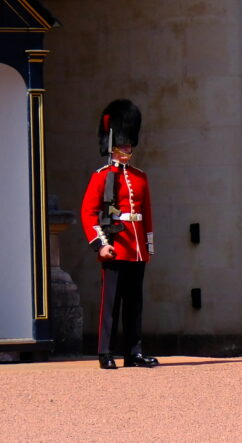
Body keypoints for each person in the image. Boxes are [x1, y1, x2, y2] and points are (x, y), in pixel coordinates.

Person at [80, 99, 159, 369]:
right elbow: (88, 213)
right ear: (113, 147)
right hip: (115, 244)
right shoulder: (102, 176)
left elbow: (146, 214)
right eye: (123, 145)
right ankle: (105, 351)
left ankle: (134, 352)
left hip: (135, 248)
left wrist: (147, 247)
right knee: (111, 303)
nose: (128, 149)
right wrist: (100, 244)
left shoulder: (140, 177)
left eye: (129, 145)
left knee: (134, 304)